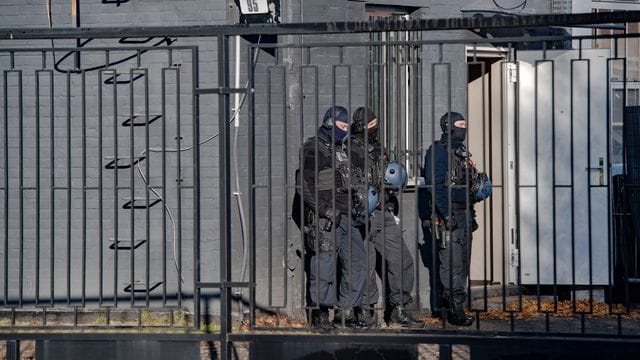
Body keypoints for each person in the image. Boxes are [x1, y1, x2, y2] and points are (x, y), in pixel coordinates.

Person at [292, 105, 371, 331]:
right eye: (341, 126)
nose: (344, 130)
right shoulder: (313, 148)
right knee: (323, 267)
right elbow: (303, 186)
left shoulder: (342, 150)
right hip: (325, 218)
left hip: (349, 217)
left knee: (356, 264)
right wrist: (325, 210)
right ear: (329, 122)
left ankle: (346, 312)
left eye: (347, 127)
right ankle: (320, 313)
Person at [350, 107, 424, 328]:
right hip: (362, 214)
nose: (375, 128)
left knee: (402, 260)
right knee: (366, 265)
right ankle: (366, 312)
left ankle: (398, 310)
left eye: (376, 124)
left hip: (383, 212)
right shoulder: (350, 148)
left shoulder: (377, 147)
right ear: (362, 126)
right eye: (371, 125)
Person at [422, 111, 491, 327]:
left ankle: (455, 303)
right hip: (449, 216)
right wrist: (446, 215)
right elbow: (436, 187)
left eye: (465, 124)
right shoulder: (438, 151)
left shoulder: (461, 152)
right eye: (460, 124)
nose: (464, 128)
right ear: (449, 126)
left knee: (463, 264)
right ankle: (454, 310)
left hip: (465, 215)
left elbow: (467, 184)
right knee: (450, 264)